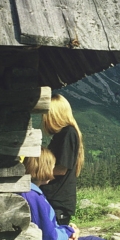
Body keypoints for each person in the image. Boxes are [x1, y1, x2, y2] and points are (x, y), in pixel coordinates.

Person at [40, 94, 84, 225]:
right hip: (55, 199)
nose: (44, 119)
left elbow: (61, 169)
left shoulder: (68, 133)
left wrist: (36, 172)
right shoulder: (63, 134)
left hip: (58, 201)